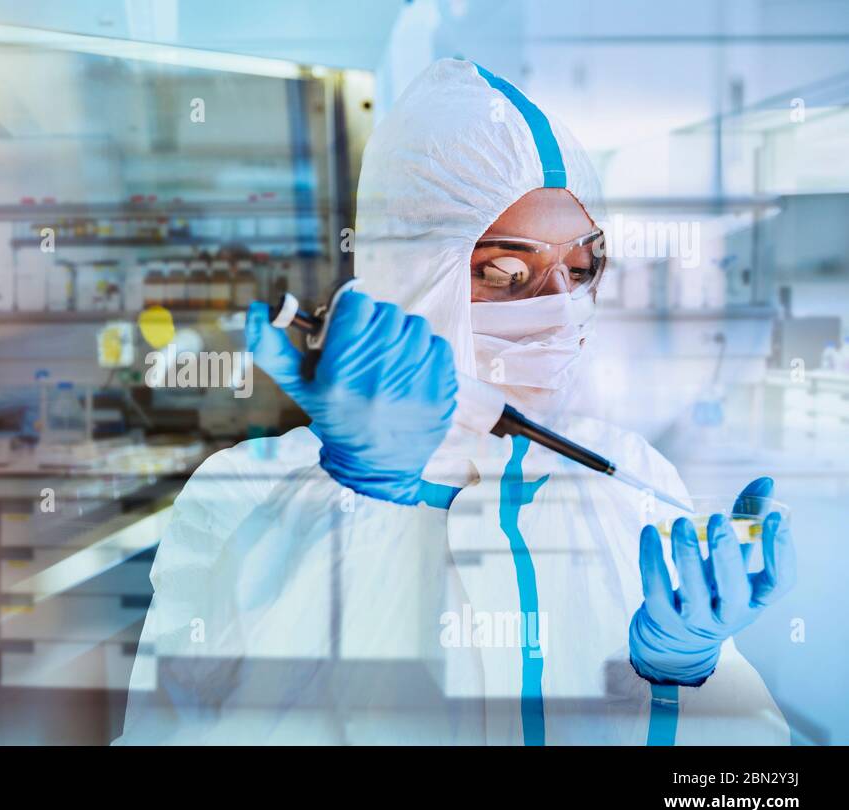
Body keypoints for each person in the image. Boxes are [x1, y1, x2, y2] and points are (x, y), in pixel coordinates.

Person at [117, 59, 794, 745]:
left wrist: (676, 680)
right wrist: (362, 504)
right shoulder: (243, 494)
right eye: (507, 272)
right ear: (412, 275)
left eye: (581, 269)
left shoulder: (631, 477)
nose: (559, 309)